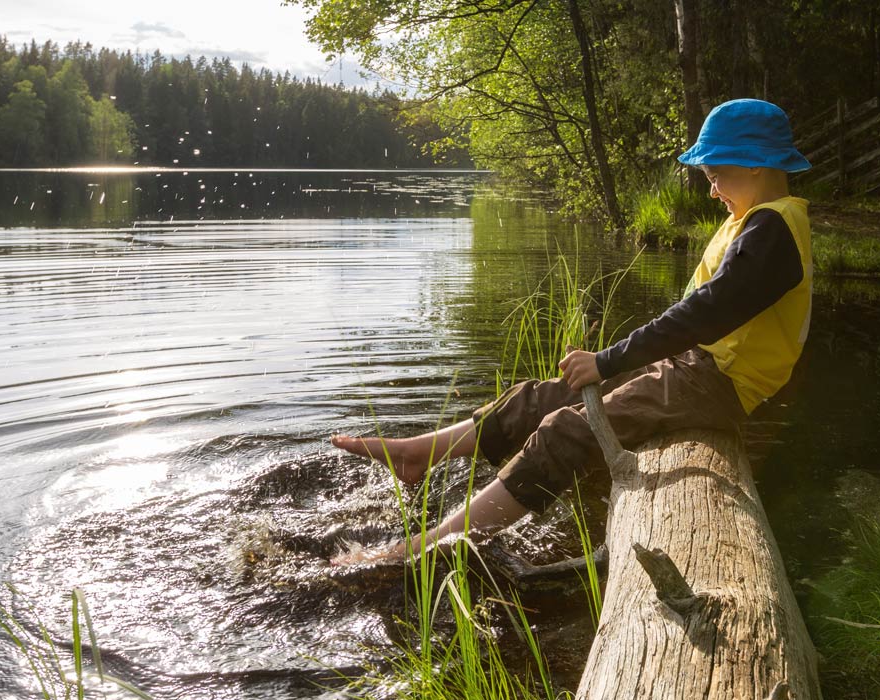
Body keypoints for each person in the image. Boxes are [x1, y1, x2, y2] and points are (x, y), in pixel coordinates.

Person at [330, 98, 813, 566]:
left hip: (719, 384)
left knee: (566, 429)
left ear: (753, 163)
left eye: (714, 174)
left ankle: (425, 549)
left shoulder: (772, 231)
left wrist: (605, 361)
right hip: (696, 366)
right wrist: (605, 364)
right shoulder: (749, 220)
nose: (711, 189)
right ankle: (418, 454)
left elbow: (704, 315)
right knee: (539, 397)